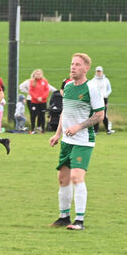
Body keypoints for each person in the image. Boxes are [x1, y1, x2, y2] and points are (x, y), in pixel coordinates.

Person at [49, 53, 104, 231]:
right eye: (72, 64)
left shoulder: (92, 88)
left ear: (86, 68)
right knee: (63, 178)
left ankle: (79, 220)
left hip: (83, 141)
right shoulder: (68, 86)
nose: (73, 67)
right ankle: (64, 217)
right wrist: (58, 134)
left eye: (77, 65)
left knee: (76, 177)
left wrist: (78, 127)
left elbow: (99, 115)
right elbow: (65, 111)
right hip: (67, 141)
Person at [20, 69, 52, 134]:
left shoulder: (44, 82)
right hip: (34, 101)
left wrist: (42, 97)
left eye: (40, 74)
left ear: (42, 75)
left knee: (42, 115)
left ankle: (43, 129)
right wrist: (36, 97)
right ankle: (32, 129)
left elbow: (47, 90)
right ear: (34, 75)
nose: (38, 75)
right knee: (33, 115)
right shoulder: (32, 82)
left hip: (43, 101)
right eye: (37, 74)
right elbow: (31, 91)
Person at [92, 66, 114, 134]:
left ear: (102, 72)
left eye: (100, 71)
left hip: (104, 99)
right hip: (96, 99)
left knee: (104, 114)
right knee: (96, 114)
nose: (98, 73)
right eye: (97, 71)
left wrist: (106, 94)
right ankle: (96, 130)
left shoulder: (106, 80)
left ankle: (107, 129)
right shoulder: (93, 80)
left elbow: (109, 89)